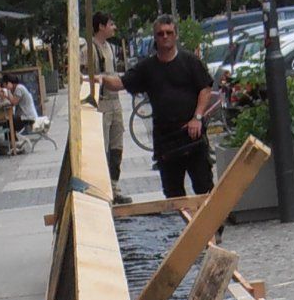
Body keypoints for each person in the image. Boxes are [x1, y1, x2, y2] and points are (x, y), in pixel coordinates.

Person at [107, 15, 214, 198]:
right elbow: (119, 83)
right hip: (166, 140)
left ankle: (212, 227)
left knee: (205, 188)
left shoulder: (190, 62)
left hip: (192, 135)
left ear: (176, 35)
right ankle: (187, 226)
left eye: (169, 33)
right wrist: (96, 80)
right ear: (155, 37)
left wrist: (197, 117)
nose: (165, 37)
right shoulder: (147, 68)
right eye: (160, 33)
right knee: (173, 195)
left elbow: (205, 89)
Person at [83, 11, 127, 182]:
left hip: (115, 102)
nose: (114, 27)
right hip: (101, 104)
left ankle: (115, 186)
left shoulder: (109, 47)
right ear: (101, 26)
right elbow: (79, 76)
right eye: (111, 24)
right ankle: (103, 187)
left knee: (117, 146)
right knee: (102, 149)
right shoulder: (89, 49)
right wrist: (97, 79)